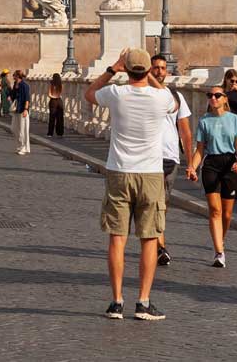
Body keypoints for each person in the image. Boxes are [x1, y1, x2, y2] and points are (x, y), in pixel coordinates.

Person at [84, 48, 182, 322]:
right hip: (150, 173)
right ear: (149, 70)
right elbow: (173, 104)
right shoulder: (160, 97)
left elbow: (89, 94)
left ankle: (116, 302)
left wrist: (112, 70)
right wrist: (151, 77)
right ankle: (143, 301)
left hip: (119, 171)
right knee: (149, 238)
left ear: (127, 70)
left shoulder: (116, 94)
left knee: (117, 237)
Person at [187, 85, 237, 267]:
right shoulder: (204, 121)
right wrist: (192, 167)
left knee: (227, 214)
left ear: (225, 99)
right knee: (215, 210)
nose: (213, 98)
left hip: (230, 164)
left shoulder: (234, 119)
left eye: (217, 95)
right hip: (211, 164)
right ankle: (219, 252)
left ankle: (221, 239)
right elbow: (199, 150)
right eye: (210, 95)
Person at [149, 53, 192, 268]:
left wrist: (191, 163)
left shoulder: (176, 96)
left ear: (167, 71)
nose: (159, 71)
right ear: (149, 69)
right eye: (155, 67)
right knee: (155, 204)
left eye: (162, 68)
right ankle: (159, 248)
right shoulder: (144, 94)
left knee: (163, 205)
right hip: (148, 158)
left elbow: (185, 131)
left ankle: (156, 243)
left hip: (171, 157)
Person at [11, 73, 33, 154]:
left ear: (18, 76)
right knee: (14, 128)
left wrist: (26, 109)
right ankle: (20, 144)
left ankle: (24, 147)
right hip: (17, 109)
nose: (13, 77)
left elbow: (27, 98)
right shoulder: (15, 85)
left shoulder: (25, 85)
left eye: (14, 75)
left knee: (23, 129)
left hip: (23, 109)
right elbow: (13, 95)